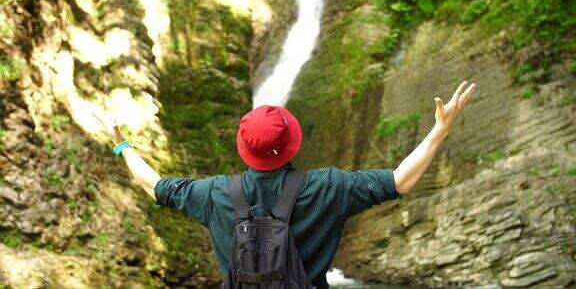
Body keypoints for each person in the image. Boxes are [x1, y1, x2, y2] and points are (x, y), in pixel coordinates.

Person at [97, 81, 476, 287]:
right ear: (293, 142)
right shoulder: (328, 187)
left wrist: (122, 143)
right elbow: (401, 181)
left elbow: (154, 184)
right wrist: (439, 130)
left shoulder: (213, 194)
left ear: (243, 147)